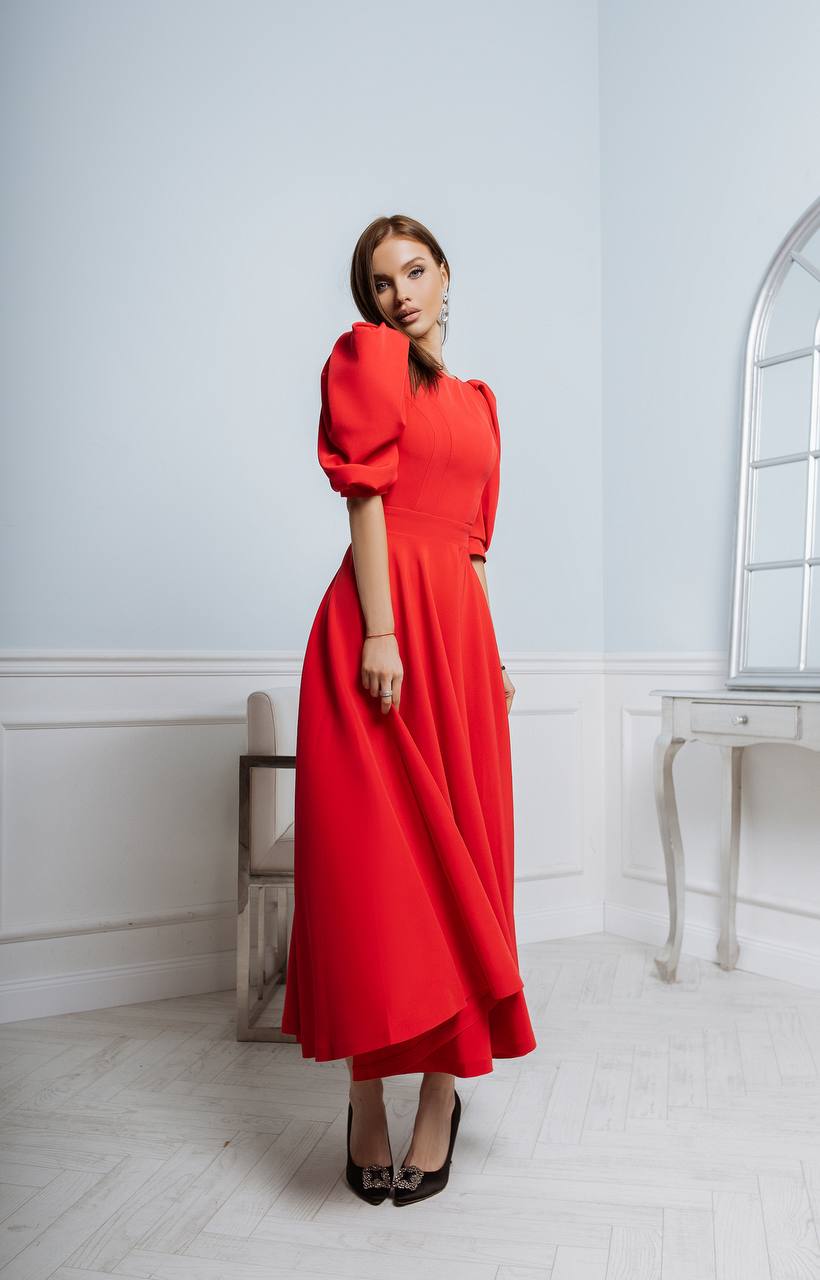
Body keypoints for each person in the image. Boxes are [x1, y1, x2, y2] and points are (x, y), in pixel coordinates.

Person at [280, 213, 537, 1206]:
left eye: (415, 269)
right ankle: (365, 1097)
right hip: (375, 635)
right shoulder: (374, 360)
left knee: (462, 864)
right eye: (381, 280)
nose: (400, 292)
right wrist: (381, 635)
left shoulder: (479, 403)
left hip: (458, 646)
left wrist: (491, 654)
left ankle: (441, 1095)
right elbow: (365, 502)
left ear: (446, 273)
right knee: (371, 875)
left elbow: (470, 550)